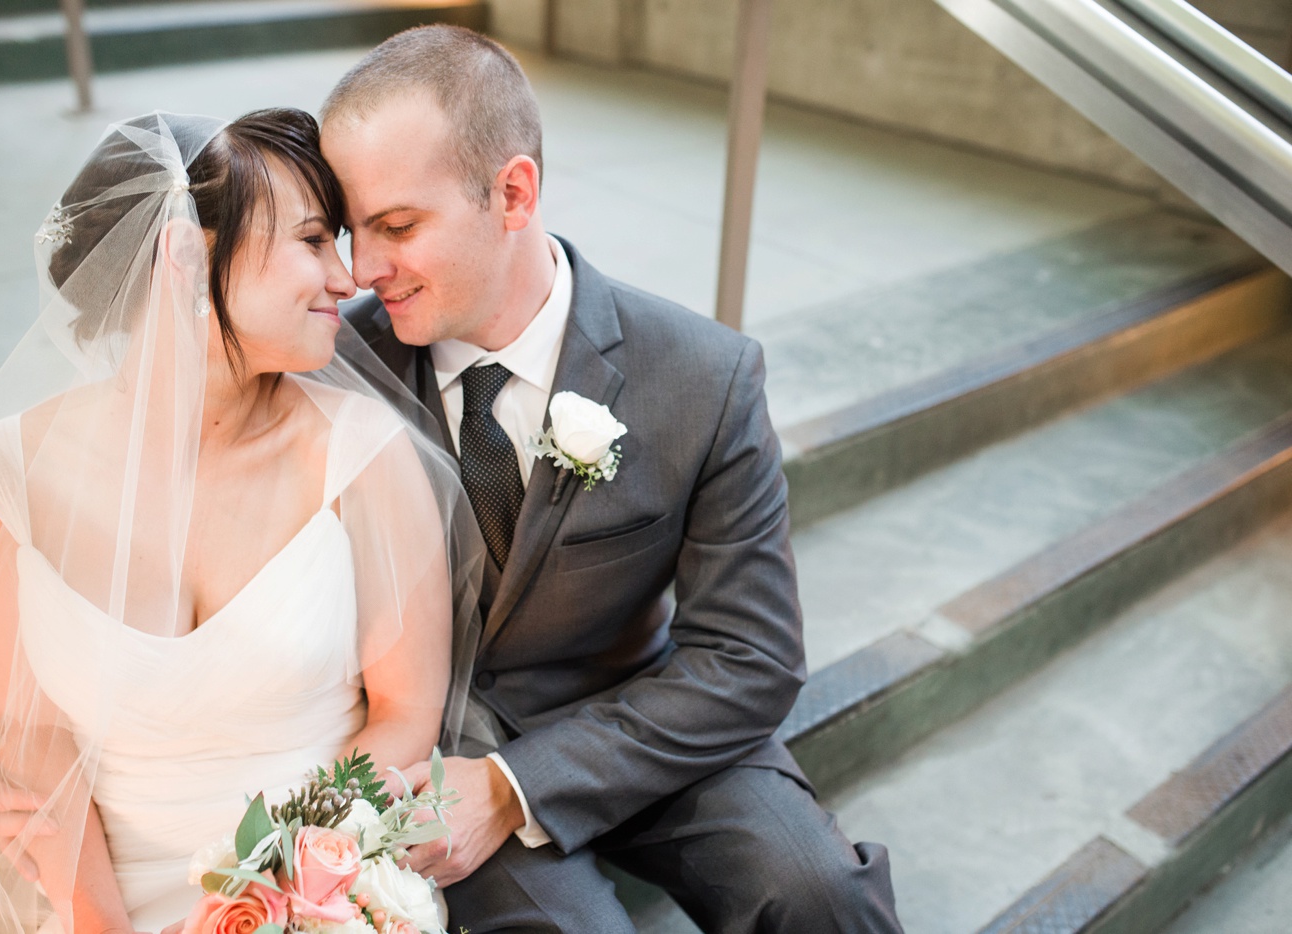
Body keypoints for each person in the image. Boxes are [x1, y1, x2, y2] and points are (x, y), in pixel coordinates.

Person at [320, 25, 903, 933]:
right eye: (353, 230)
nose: (363, 269)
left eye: (397, 227)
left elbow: (751, 658)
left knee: (818, 894)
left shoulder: (703, 377)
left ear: (513, 193)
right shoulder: (338, 366)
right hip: (437, 752)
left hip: (646, 724)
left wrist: (519, 787)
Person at [0, 108, 487, 933]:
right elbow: (35, 749)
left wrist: (276, 899)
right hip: (97, 896)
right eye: (313, 242)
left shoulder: (365, 455)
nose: (346, 280)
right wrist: (101, 924)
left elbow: (404, 720)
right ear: (183, 256)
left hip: (321, 890)